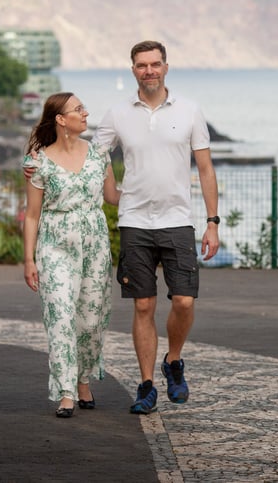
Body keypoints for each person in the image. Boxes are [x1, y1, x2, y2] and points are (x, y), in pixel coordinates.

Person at [93, 39, 220, 414]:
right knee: (143, 305)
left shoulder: (190, 110)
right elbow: (94, 156)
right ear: (132, 69)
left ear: (166, 67)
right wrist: (110, 191)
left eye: (155, 64)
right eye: (141, 65)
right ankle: (147, 385)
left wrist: (212, 223)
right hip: (134, 221)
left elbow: (206, 169)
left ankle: (174, 361)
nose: (149, 70)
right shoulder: (117, 113)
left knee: (183, 300)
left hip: (178, 221)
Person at [22, 92, 120, 418]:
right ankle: (65, 391)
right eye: (78, 109)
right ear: (61, 120)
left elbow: (113, 198)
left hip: (94, 246)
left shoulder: (99, 156)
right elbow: (32, 215)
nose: (85, 112)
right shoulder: (38, 162)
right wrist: (29, 259)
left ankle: (83, 378)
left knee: (91, 321)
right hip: (55, 247)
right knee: (61, 316)